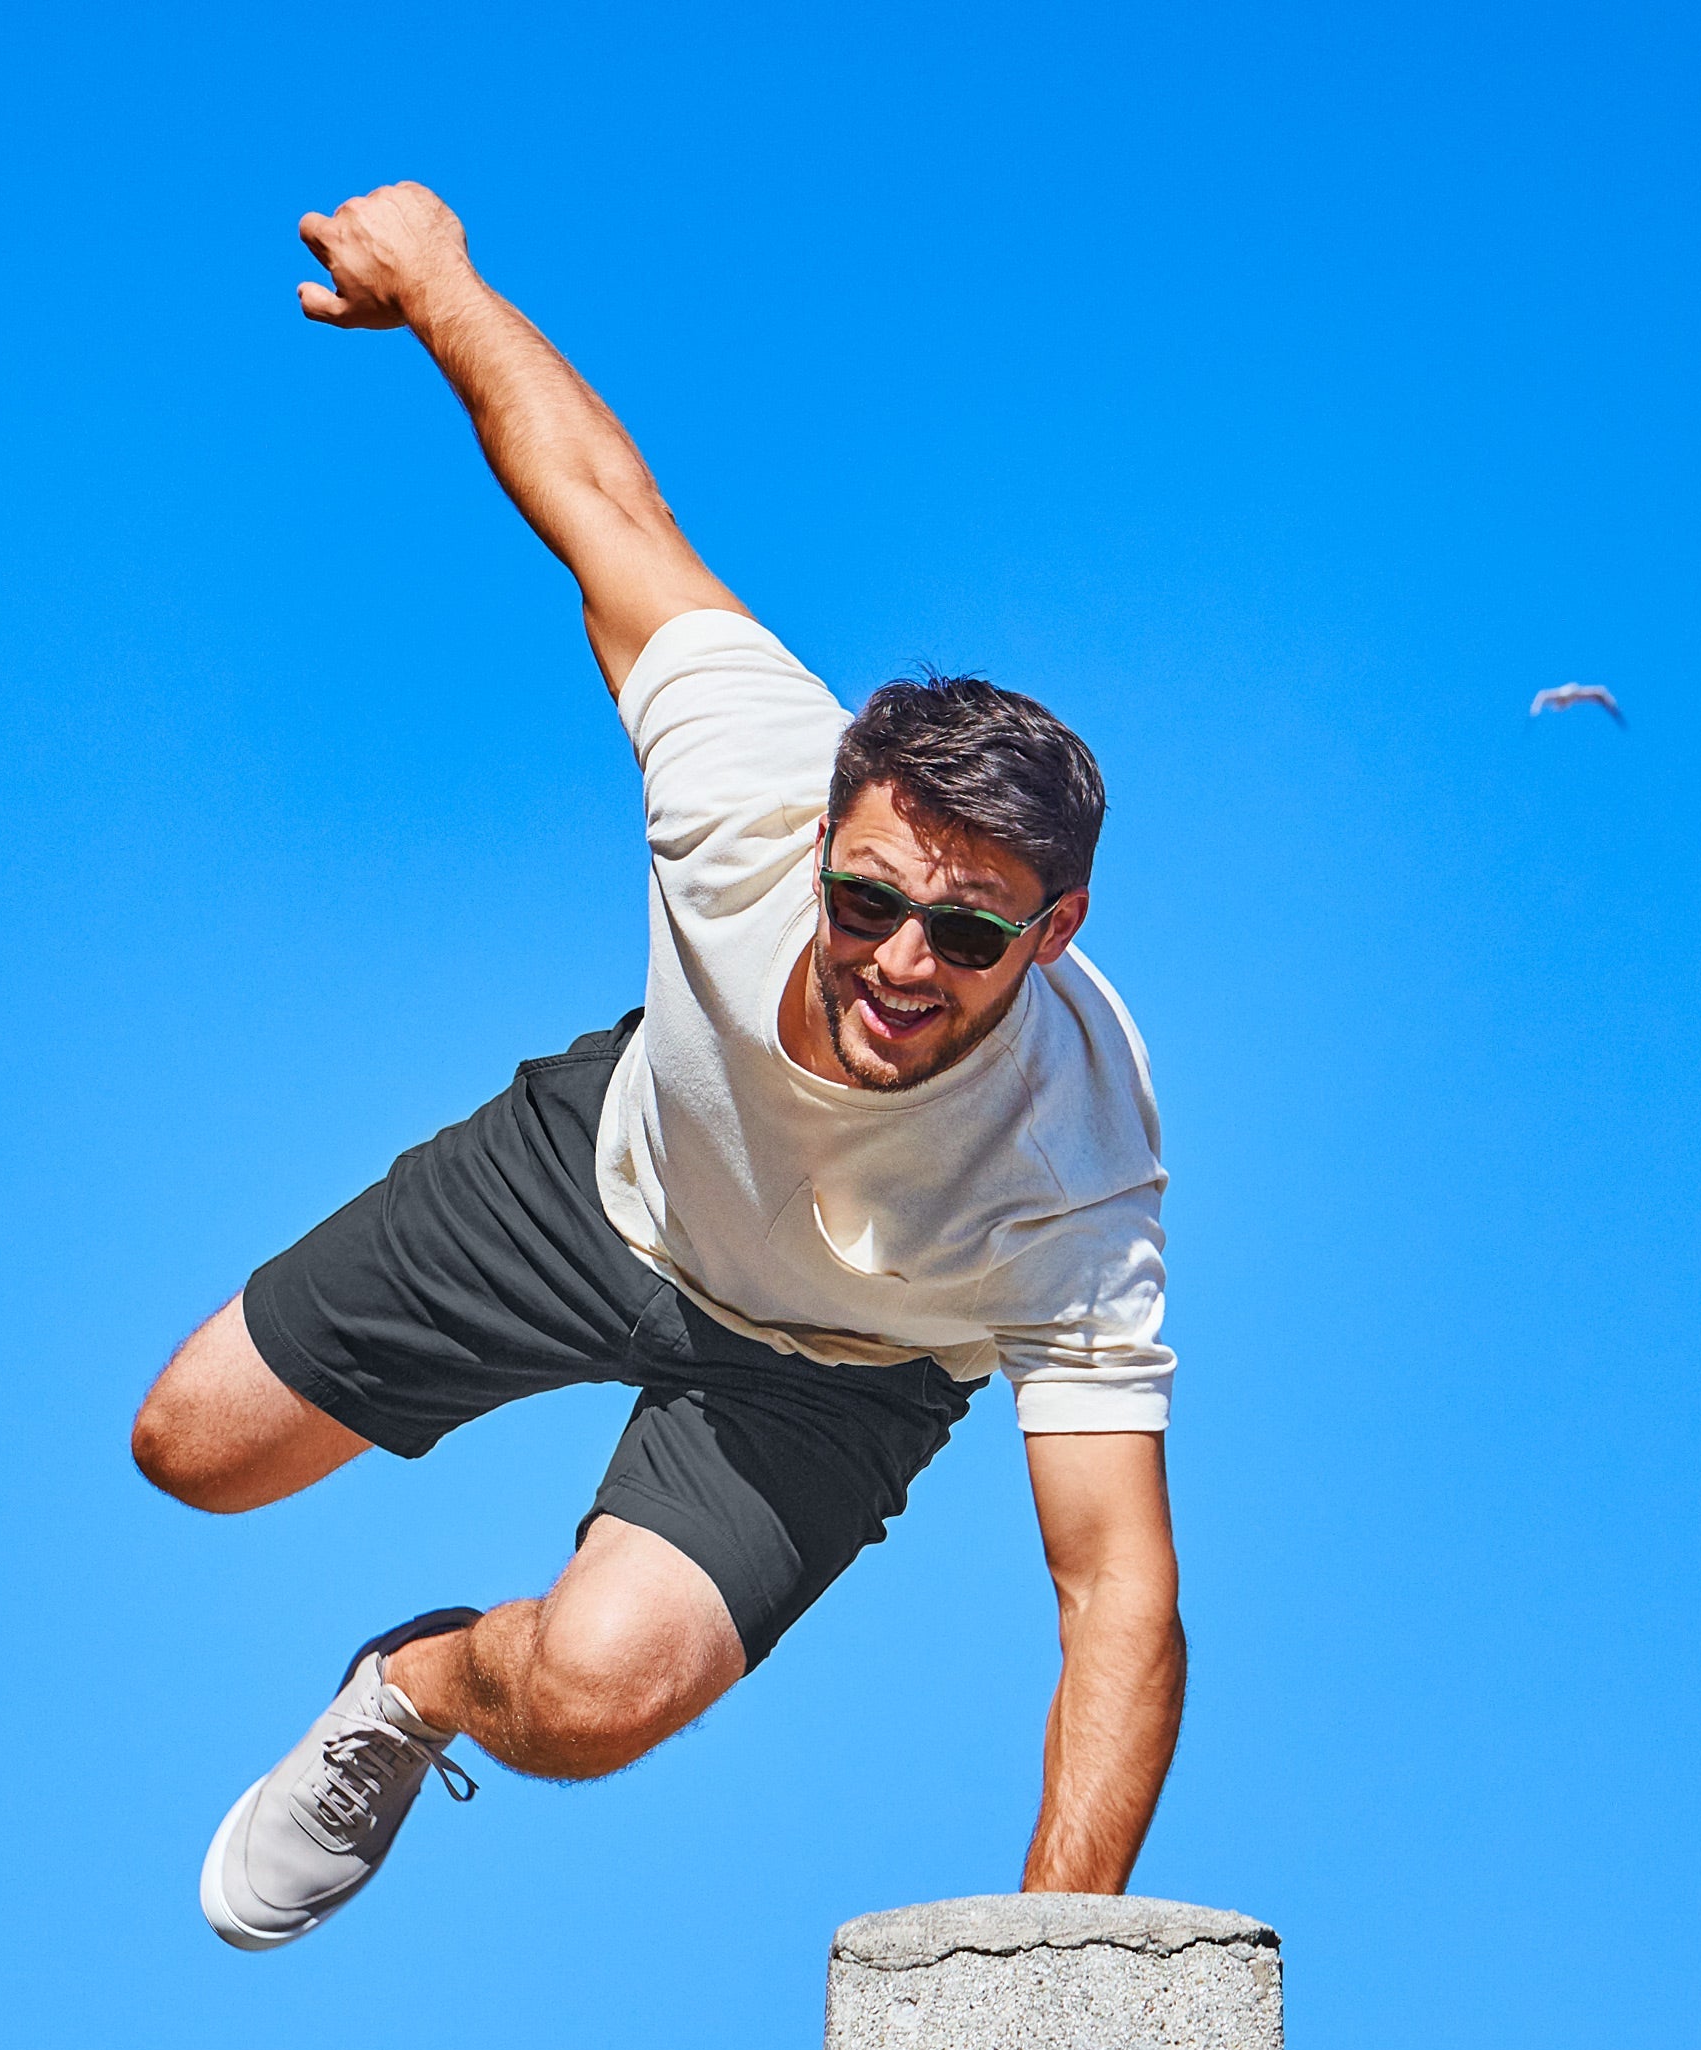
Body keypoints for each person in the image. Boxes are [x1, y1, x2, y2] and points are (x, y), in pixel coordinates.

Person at [132, 180, 1187, 1953]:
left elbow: (1117, 1594)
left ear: (1055, 931)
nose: (900, 964)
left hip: (835, 1374)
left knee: (597, 1695)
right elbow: (603, 504)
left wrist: (1047, 1979)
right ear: (825, 839)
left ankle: (414, 1690)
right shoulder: (744, 779)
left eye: (969, 935)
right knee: (192, 1447)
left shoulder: (1076, 1165)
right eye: (869, 901)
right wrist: (440, 279)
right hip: (602, 1180)